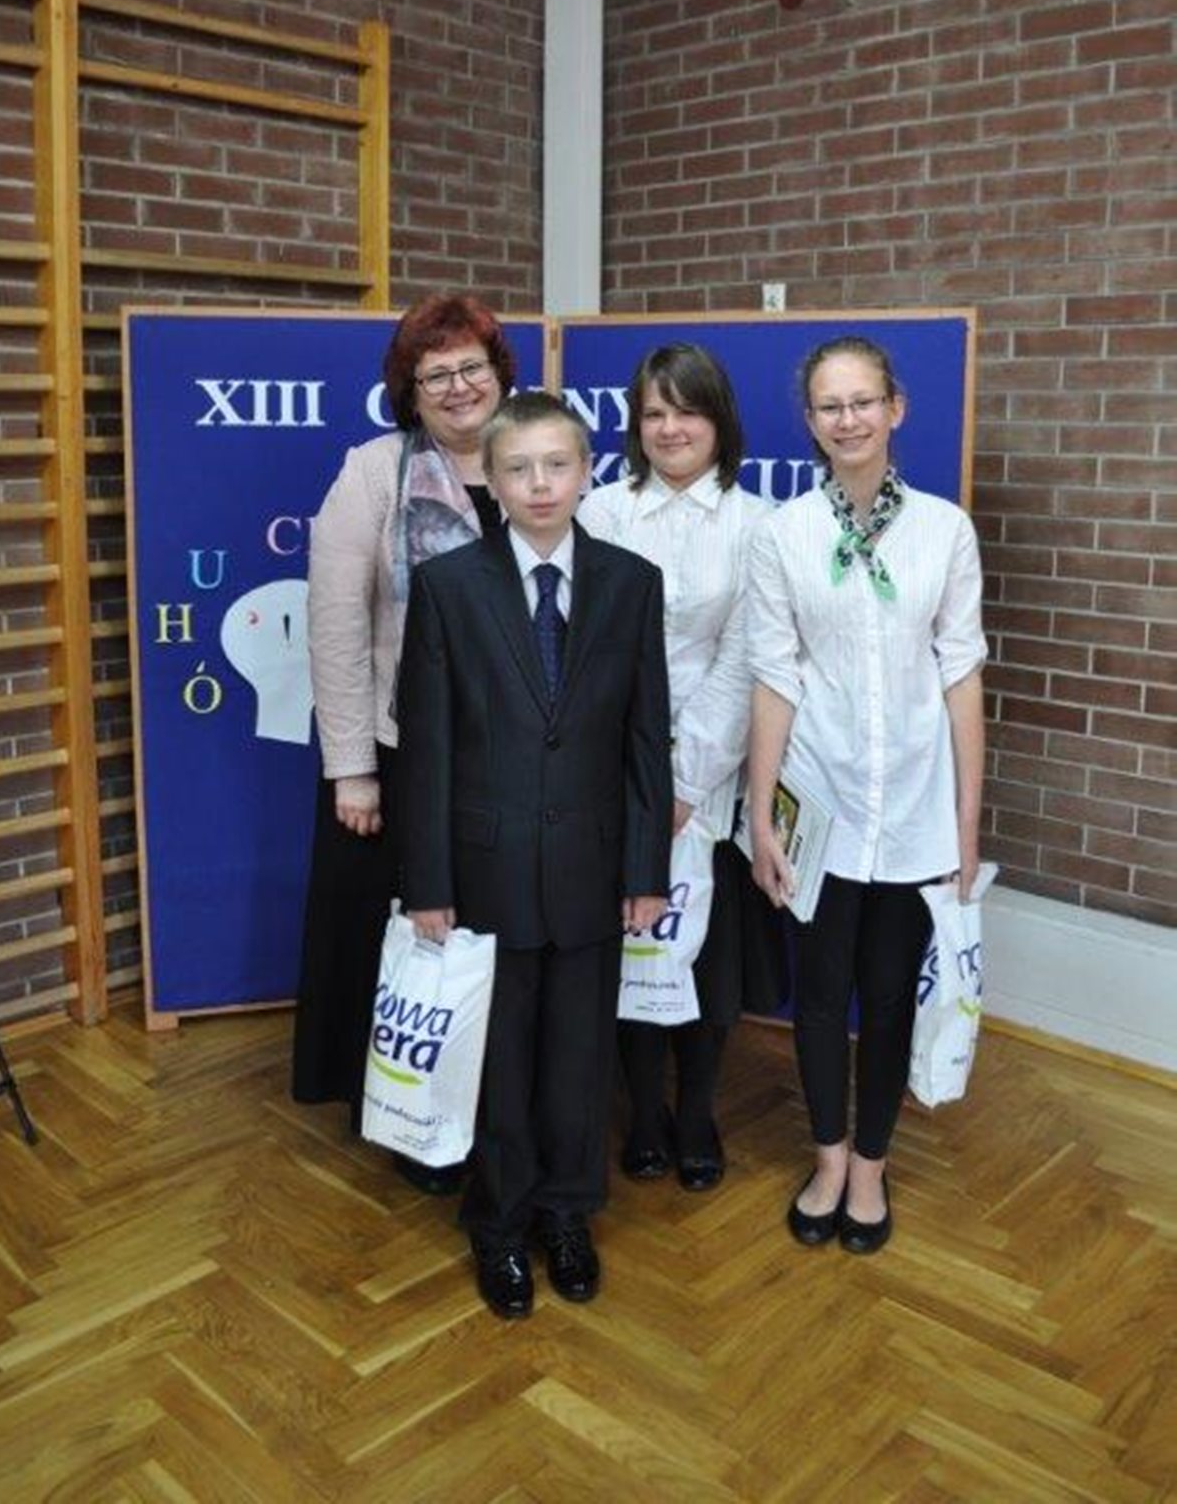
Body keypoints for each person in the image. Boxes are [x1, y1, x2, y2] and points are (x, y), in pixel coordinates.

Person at [396, 390, 672, 1319]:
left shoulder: (631, 583)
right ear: (490, 478)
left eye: (557, 464)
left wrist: (644, 869)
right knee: (502, 1058)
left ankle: (567, 1210)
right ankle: (501, 1221)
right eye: (518, 468)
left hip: (594, 868)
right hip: (486, 870)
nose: (540, 483)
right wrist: (428, 881)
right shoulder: (449, 587)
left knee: (580, 1057)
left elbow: (646, 736)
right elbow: (428, 747)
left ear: (588, 470)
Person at [747, 335, 986, 1254]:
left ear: (895, 408)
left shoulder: (944, 531)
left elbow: (961, 676)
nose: (847, 419)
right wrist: (762, 813)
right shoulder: (785, 535)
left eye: (862, 401)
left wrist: (965, 824)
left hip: (917, 810)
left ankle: (873, 1168)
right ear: (810, 421)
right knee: (818, 996)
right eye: (829, 405)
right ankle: (828, 1158)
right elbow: (775, 677)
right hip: (824, 804)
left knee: (888, 998)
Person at [291, 294, 514, 1196]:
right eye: (436, 374)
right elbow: (337, 622)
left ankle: (487, 1100)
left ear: (499, 375)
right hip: (397, 752)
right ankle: (400, 1108)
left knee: (489, 939)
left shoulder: (535, 456)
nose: (458, 387)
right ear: (410, 391)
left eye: (472, 367)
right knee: (397, 944)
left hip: (509, 762)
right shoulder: (376, 472)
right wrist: (352, 766)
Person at [580, 343, 782, 1190]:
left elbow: (746, 661)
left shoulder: (758, 525)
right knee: (628, 941)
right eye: (653, 413)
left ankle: (696, 1108)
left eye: (686, 410)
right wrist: (633, 775)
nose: (669, 428)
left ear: (718, 420)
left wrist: (685, 784)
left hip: (711, 774)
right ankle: (644, 1112)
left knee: (705, 955)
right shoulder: (599, 511)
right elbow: (584, 650)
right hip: (605, 766)